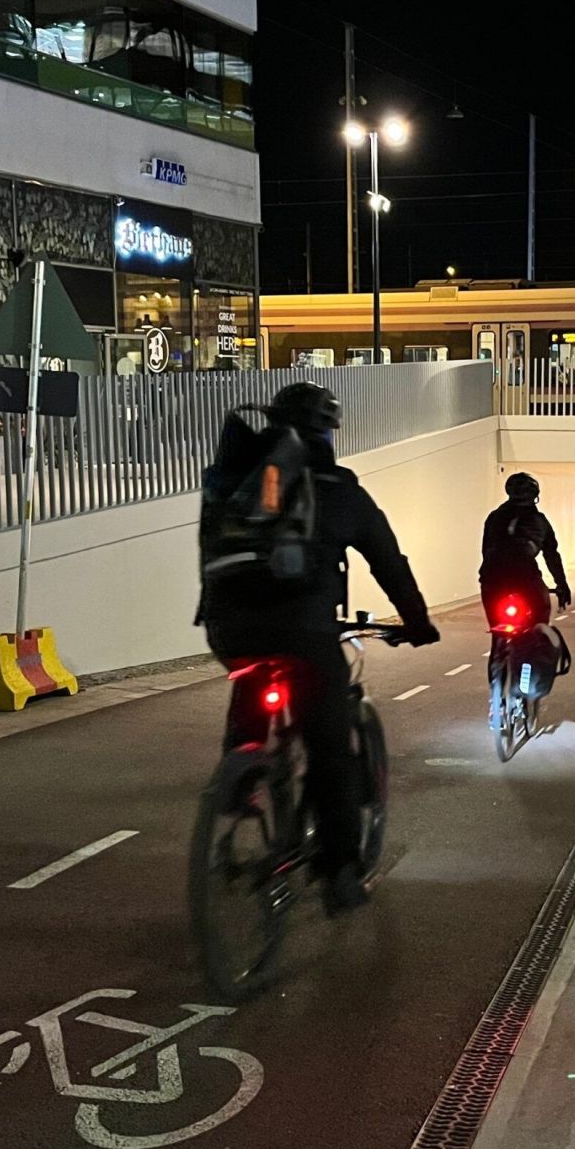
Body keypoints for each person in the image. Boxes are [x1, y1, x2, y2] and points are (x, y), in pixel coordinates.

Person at [201, 381, 440, 913]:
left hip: (228, 628)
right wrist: (417, 621)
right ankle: (341, 876)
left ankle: (240, 778)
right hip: (305, 632)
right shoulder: (338, 488)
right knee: (331, 748)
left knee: (252, 685)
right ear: (328, 433)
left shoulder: (243, 481)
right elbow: (389, 562)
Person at [481, 471, 572, 642]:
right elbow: (551, 555)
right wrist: (561, 584)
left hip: (492, 578)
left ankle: (498, 654)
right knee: (539, 622)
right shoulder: (539, 520)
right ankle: (536, 651)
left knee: (498, 632)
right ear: (535, 496)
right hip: (525, 577)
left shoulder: (494, 517)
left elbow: (486, 551)